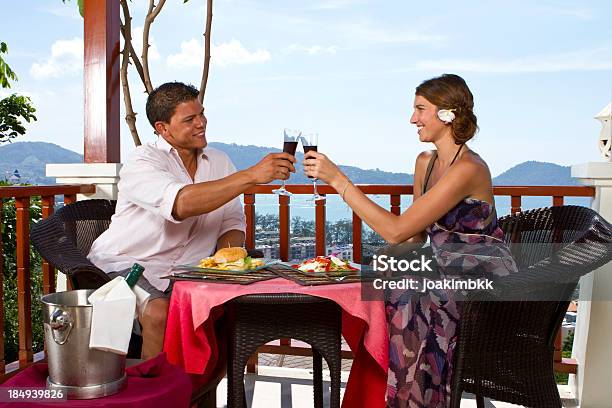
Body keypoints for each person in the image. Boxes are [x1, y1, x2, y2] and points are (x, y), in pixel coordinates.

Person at [303, 74, 517, 407]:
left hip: (478, 277)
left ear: (448, 114)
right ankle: (375, 397)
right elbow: (415, 236)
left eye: (420, 109)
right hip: (442, 268)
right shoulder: (425, 163)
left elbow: (397, 229)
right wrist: (378, 263)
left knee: (405, 298)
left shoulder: (469, 169)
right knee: (377, 282)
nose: (412, 119)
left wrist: (338, 180)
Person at [88, 82, 296, 360]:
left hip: (188, 272)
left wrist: (226, 256)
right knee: (159, 312)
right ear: (163, 128)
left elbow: (232, 221)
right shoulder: (142, 161)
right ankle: (156, 394)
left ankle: (199, 392)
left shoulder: (219, 162)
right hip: (129, 263)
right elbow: (180, 204)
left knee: (235, 312)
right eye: (189, 119)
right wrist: (251, 175)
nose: (201, 123)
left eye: (202, 114)